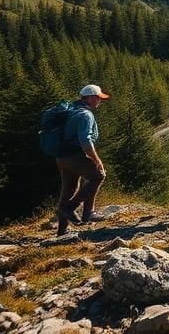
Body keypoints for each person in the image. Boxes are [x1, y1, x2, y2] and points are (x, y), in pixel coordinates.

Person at [56, 84, 110, 235]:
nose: (100, 101)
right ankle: (77, 210)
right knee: (99, 175)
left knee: (68, 189)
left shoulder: (70, 110)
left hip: (62, 157)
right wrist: (96, 159)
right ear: (91, 98)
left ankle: (62, 229)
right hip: (75, 156)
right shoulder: (85, 115)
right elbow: (85, 140)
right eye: (98, 98)